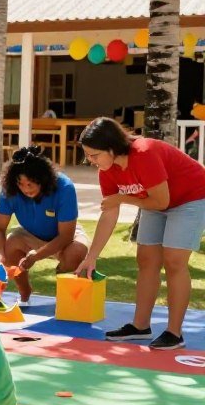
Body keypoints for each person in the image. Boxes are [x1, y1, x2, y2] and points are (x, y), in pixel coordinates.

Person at [77, 116, 205, 350]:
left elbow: (161, 200)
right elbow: (109, 213)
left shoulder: (144, 153)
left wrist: (124, 197)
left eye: (94, 155)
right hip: (154, 201)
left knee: (174, 261)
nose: (90, 160)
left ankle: (174, 333)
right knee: (146, 260)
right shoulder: (107, 170)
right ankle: (140, 326)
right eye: (88, 155)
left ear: (112, 148)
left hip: (190, 198)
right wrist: (91, 256)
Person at [0, 146, 89, 303]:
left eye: (30, 184)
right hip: (30, 234)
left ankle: (65, 296)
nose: (25, 189)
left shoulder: (64, 187)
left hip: (64, 236)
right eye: (21, 184)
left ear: (43, 178)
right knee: (9, 246)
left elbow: (66, 236)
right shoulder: (9, 190)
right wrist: (1, 256)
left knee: (76, 251)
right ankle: (25, 293)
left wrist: (36, 256)